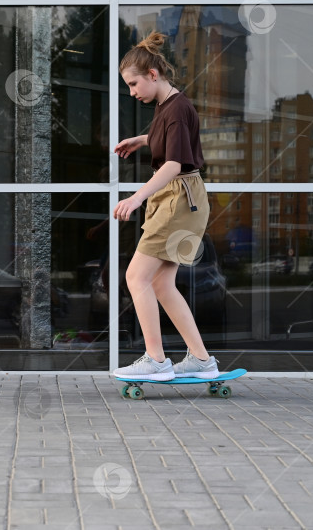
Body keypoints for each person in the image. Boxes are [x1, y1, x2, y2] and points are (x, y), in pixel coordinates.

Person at [111, 31, 219, 381]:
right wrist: (143, 140)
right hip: (181, 199)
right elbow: (172, 140)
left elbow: (174, 164)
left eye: (133, 84)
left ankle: (156, 361)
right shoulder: (169, 106)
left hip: (177, 198)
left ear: (153, 75)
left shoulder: (175, 109)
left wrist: (136, 196)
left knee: (135, 276)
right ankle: (202, 361)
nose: (132, 92)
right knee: (159, 283)